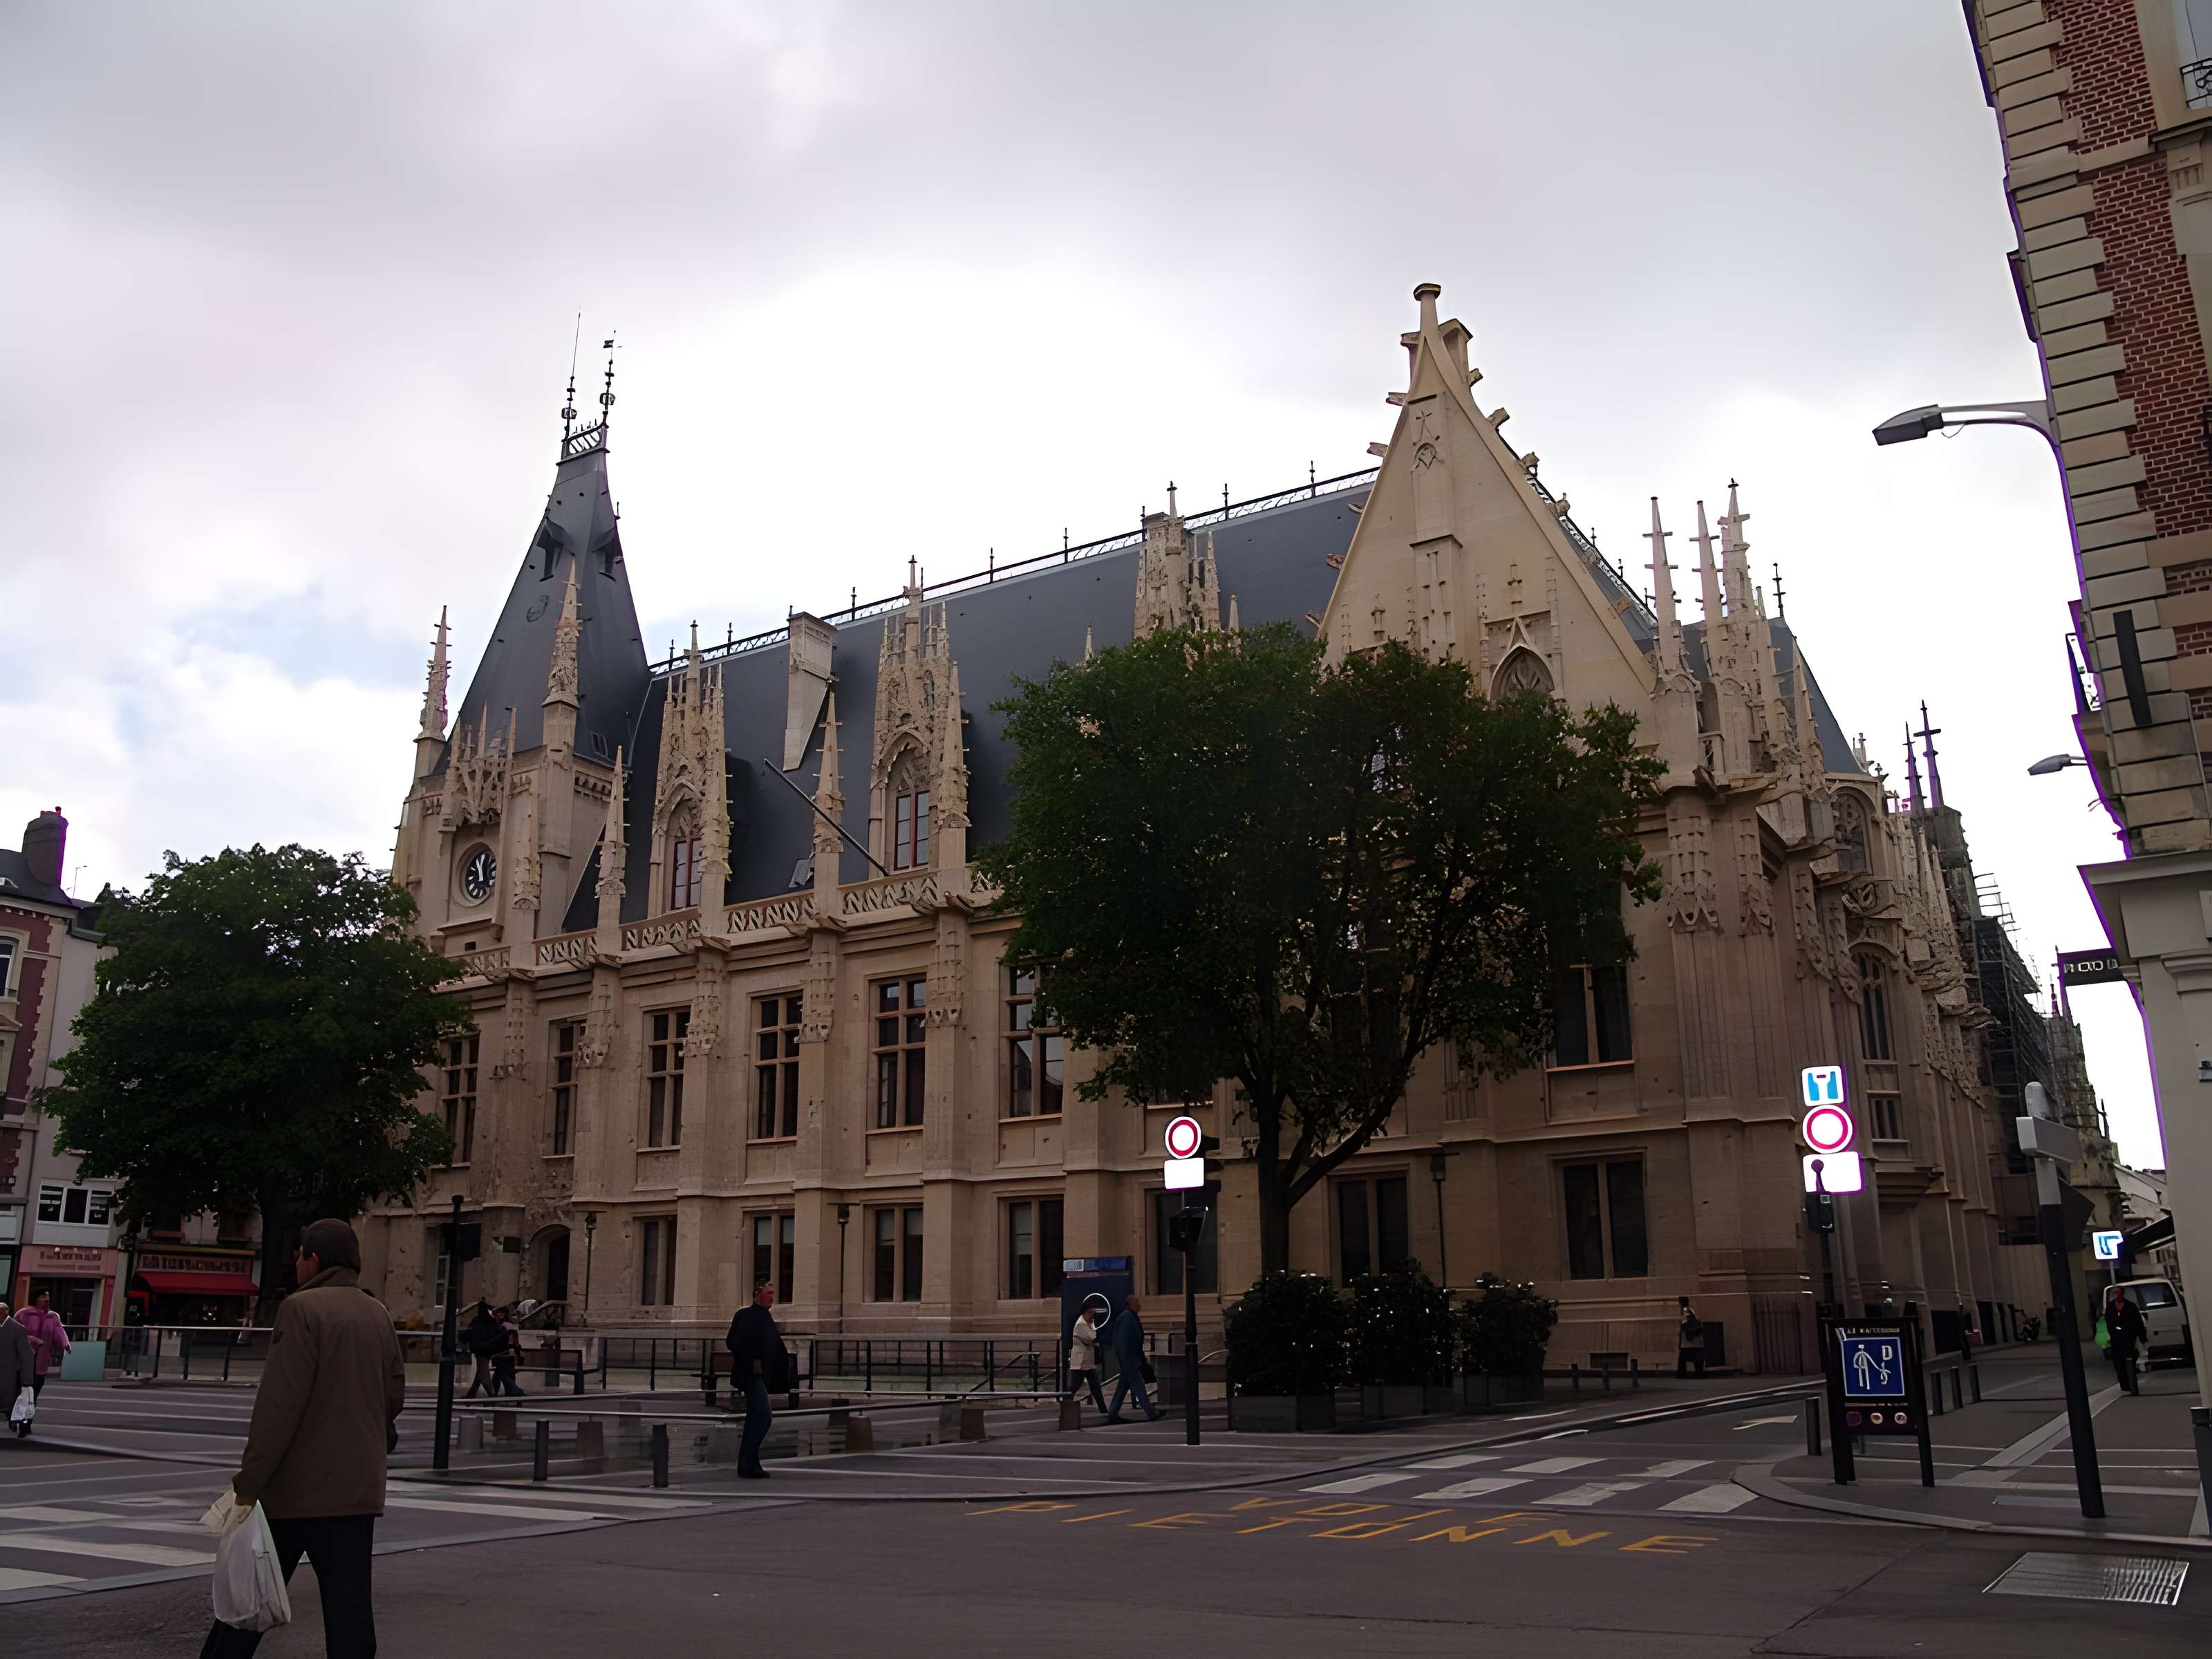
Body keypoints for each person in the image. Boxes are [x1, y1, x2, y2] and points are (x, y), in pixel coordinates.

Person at [200, 1218, 404, 1659]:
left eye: (300, 1254)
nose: (296, 1263)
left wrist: (249, 1483)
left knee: (249, 1604)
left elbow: (279, 1407)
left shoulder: (301, 1309)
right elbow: (394, 1396)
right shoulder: (377, 1312)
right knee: (350, 1613)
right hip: (357, 1490)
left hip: (295, 1490)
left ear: (314, 1260)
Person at [726, 1278, 789, 1480]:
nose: (772, 1298)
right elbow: (733, 1342)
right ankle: (747, 1462)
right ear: (758, 1294)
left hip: (762, 1375)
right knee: (763, 1416)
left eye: (773, 1293)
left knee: (756, 1417)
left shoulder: (765, 1317)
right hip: (751, 1375)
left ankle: (750, 1463)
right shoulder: (745, 1315)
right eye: (769, 1293)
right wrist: (752, 1357)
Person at [1105, 1293, 1160, 1423]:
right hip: (1129, 1360)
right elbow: (1123, 1342)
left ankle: (1112, 1414)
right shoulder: (1127, 1318)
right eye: (1137, 1303)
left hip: (1130, 1360)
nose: (1140, 1305)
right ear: (1131, 1305)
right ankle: (1151, 1413)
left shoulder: (1130, 1317)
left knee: (1123, 1388)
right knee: (1139, 1387)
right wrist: (1127, 1360)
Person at [19, 1289, 71, 1427]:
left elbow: (60, 1331)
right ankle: (18, 1420)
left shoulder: (53, 1316)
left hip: (41, 1362)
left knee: (34, 1394)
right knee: (22, 1393)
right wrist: (34, 1339)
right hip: (24, 1361)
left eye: (47, 1297)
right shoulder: (24, 1314)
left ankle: (26, 1423)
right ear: (35, 1299)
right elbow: (17, 1334)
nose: (47, 1300)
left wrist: (66, 1345)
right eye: (43, 1297)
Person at [2101, 1285, 2148, 1396]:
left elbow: (2138, 1323)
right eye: (2114, 1293)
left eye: (2118, 1292)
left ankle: (2132, 1382)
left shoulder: (2130, 1306)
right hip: (2116, 1339)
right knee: (2119, 1363)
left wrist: (2143, 1338)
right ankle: (2125, 1384)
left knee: (2130, 1359)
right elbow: (2108, 1322)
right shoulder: (2110, 1307)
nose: (2116, 1295)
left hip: (2129, 1337)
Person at [1064, 1299, 1107, 1414]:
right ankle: (1066, 1405)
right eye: (1090, 1312)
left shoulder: (1091, 1323)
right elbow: (1092, 1338)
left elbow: (1094, 1336)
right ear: (1085, 1312)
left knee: (1095, 1386)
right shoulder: (1080, 1325)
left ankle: (1103, 1409)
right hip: (1080, 1362)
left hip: (1088, 1361)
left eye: (1093, 1312)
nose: (1092, 1315)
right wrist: (1099, 1338)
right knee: (1075, 1386)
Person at [1, 1301, 35, 1438]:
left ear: (5, 1313)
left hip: (10, 1374)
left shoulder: (17, 1329)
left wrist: (27, 1380)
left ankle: (20, 1425)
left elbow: (26, 1356)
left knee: (12, 1404)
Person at [462, 1301, 500, 1398]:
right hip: (489, 1348)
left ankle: (491, 1395)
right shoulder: (491, 1321)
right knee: (481, 1370)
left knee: (483, 1372)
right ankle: (472, 1393)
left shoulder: (477, 1320)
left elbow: (470, 1332)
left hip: (480, 1349)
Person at [491, 1306, 525, 1398]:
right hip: (509, 1353)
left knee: (499, 1374)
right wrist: (518, 1355)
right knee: (505, 1374)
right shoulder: (512, 1327)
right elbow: (516, 1344)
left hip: (501, 1353)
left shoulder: (499, 1327)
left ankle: (496, 1394)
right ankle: (508, 1393)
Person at [1676, 1296, 1705, 1378]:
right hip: (1692, 1339)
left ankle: (1682, 1375)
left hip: (1688, 1339)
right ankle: (1699, 1373)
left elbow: (1686, 1323)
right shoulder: (1690, 1310)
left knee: (1683, 1359)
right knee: (1695, 1358)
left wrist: (1683, 1328)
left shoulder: (1686, 1310)